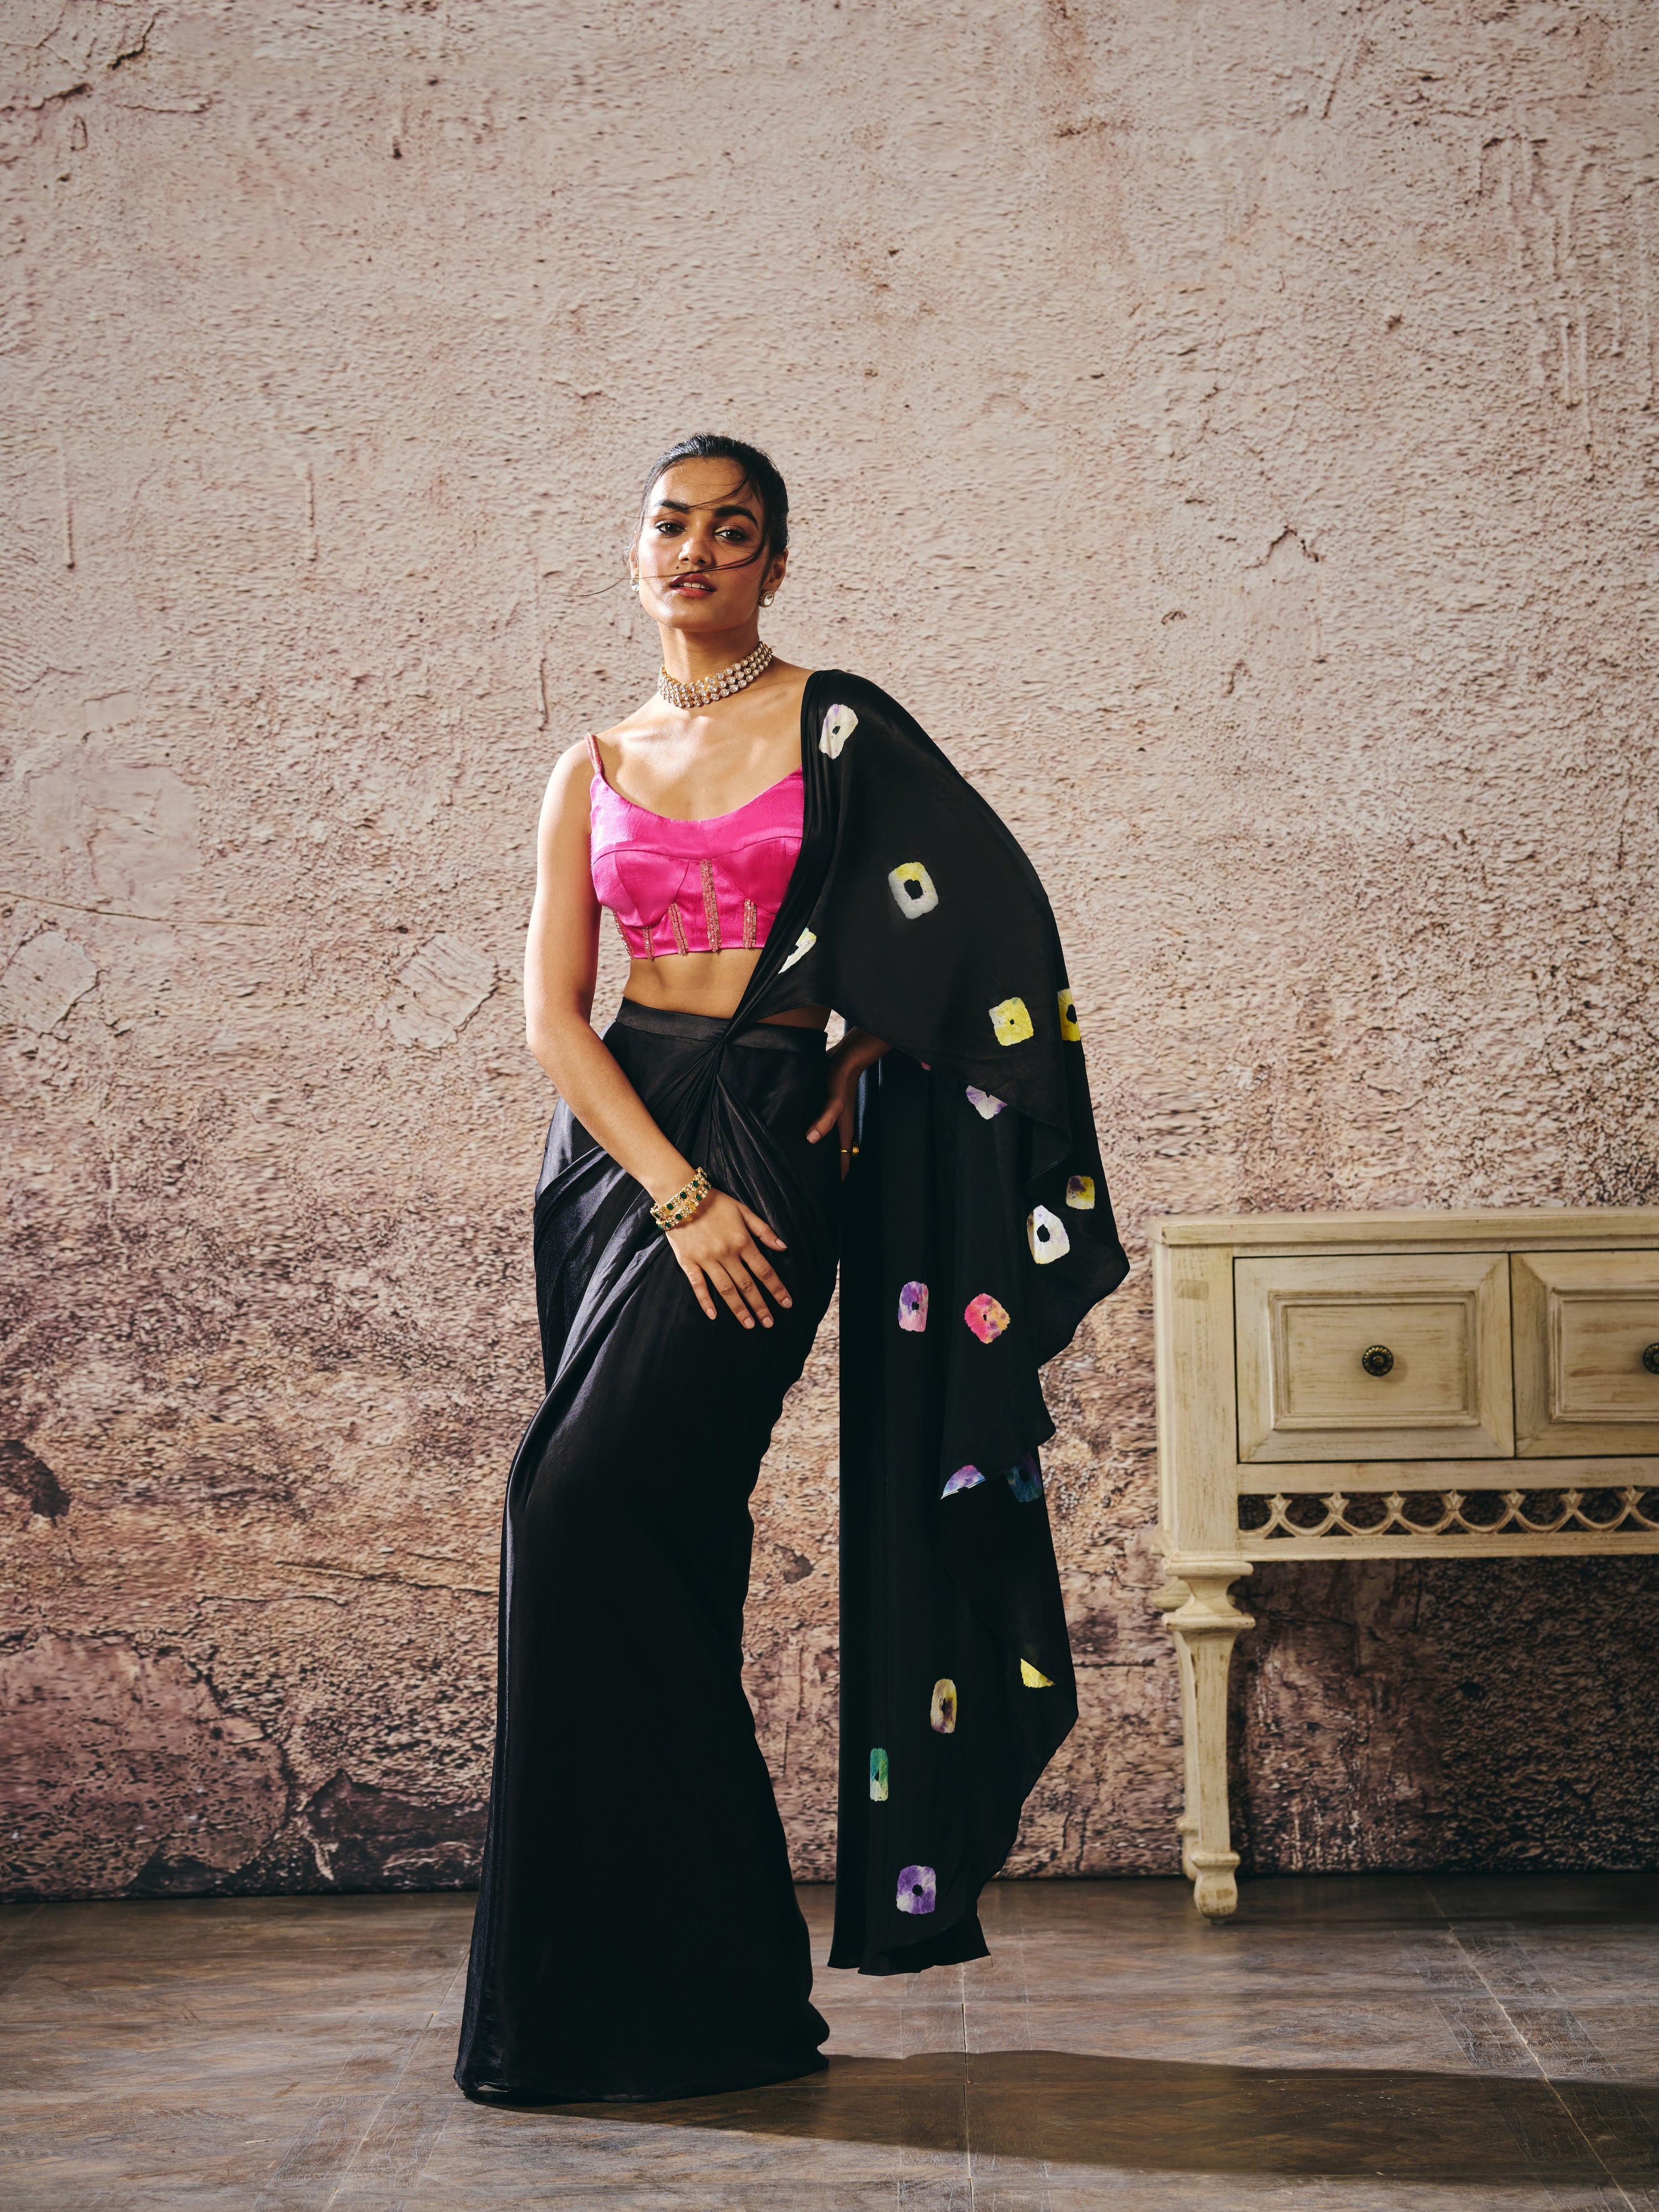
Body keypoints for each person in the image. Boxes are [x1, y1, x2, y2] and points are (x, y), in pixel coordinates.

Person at [455, 433, 1128, 2106]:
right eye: (670, 524)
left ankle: (672, 1978)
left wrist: (866, 1045)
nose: (695, 551)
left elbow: (989, 912)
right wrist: (672, 1189)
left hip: (767, 1132)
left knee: (577, 1507)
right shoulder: (588, 763)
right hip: (625, 1156)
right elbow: (553, 1016)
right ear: (636, 552)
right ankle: (682, 1996)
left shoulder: (838, 730)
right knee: (649, 1548)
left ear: (772, 563)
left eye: (731, 530)